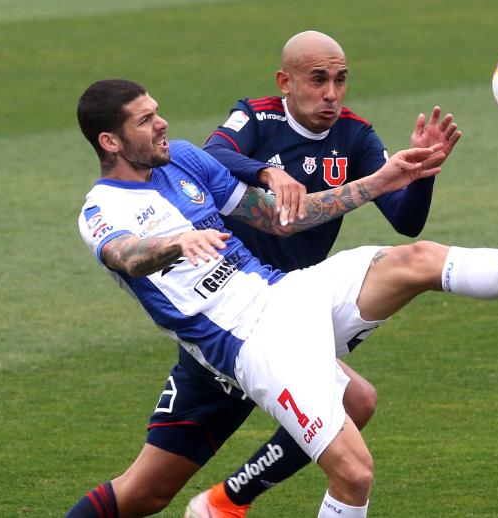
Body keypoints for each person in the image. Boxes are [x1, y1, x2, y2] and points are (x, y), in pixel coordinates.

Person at [67, 78, 498, 518]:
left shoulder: (185, 158)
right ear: (111, 141)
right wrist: (173, 243)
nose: (162, 123)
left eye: (157, 111)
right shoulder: (101, 209)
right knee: (353, 474)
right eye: (146, 120)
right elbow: (126, 255)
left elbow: (280, 218)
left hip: (285, 293)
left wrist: (382, 181)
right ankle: (223, 503)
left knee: (414, 261)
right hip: (251, 344)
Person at [187, 29, 461, 516]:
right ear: (285, 82)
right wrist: (267, 172)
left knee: (358, 402)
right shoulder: (256, 116)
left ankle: (226, 500)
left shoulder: (355, 135)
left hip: (295, 310)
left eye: (340, 80)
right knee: (146, 491)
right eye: (318, 80)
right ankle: (224, 501)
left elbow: (405, 219)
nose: (332, 93)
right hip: (235, 311)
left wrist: (422, 174)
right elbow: (213, 155)